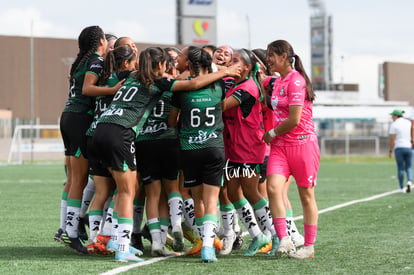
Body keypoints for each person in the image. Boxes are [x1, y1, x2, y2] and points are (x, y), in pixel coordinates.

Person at [93, 46, 241, 262]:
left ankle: (114, 238)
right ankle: (122, 247)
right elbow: (193, 83)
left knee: (127, 188)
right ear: (160, 65)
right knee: (127, 191)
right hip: (121, 132)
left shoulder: (135, 75)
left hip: (101, 129)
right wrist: (225, 71)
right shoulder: (158, 81)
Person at [169, 46, 239, 263]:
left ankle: (203, 243)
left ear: (189, 65)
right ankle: (208, 247)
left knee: (197, 199)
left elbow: (172, 121)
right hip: (214, 148)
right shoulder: (218, 84)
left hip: (190, 149)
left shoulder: (180, 89)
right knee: (211, 201)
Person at [59, 25, 124, 254]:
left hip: (69, 117)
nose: (107, 42)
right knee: (79, 179)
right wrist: (114, 89)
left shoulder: (81, 61)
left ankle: (65, 228)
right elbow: (88, 89)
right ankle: (72, 232)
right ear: (100, 41)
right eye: (105, 38)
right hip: (78, 119)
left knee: (74, 178)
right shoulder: (96, 60)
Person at [262, 39, 319, 259]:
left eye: (271, 55)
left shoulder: (296, 81)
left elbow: (294, 120)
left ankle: (309, 247)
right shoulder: (277, 82)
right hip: (280, 147)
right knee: (273, 189)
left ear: (283, 56)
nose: (268, 60)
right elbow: (263, 85)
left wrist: (271, 133)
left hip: (303, 144)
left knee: (306, 196)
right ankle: (284, 239)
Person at [221, 48, 274, 256]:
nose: (231, 64)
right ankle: (257, 235)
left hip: (249, 148)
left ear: (247, 67)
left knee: (251, 192)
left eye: (235, 61)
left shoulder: (249, 87)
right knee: (233, 192)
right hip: (233, 149)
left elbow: (223, 105)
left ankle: (276, 235)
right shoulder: (234, 84)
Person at [85, 45, 137, 254]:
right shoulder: (125, 77)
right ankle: (111, 236)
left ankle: (93, 240)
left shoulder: (103, 77)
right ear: (126, 63)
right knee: (124, 190)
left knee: (101, 192)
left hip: (93, 134)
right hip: (114, 134)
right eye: (134, 59)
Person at [388, 109, 413, 193]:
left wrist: (390, 150)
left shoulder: (394, 124)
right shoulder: (409, 123)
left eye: (392, 115)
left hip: (399, 148)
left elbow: (392, 138)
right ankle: (409, 181)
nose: (392, 117)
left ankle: (401, 187)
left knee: (400, 168)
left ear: (396, 115)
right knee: (409, 167)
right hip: (409, 147)